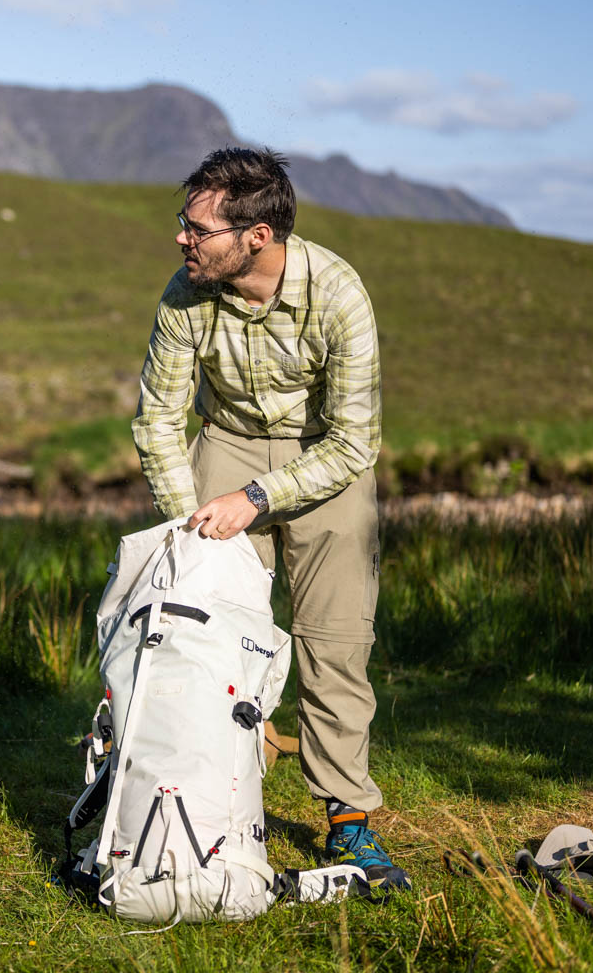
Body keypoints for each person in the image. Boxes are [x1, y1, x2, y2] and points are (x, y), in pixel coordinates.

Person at [131, 146, 409, 890]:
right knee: (200, 631)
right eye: (182, 224)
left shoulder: (339, 293)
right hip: (222, 443)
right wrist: (190, 521)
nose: (182, 240)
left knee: (335, 644)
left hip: (326, 462)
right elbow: (158, 421)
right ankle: (208, 804)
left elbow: (355, 440)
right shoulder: (183, 296)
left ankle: (348, 821)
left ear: (257, 236)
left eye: (198, 229)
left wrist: (255, 500)